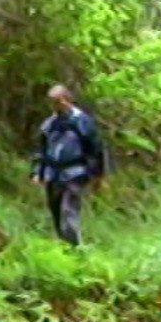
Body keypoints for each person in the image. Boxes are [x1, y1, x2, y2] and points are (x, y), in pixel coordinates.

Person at [30, 84, 105, 246]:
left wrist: (98, 174)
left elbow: (95, 148)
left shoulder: (82, 121)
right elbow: (41, 150)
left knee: (68, 211)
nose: (56, 106)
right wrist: (37, 172)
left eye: (59, 101)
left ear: (68, 100)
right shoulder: (49, 124)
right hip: (52, 174)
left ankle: (74, 247)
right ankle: (64, 248)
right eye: (52, 102)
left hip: (75, 173)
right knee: (55, 212)